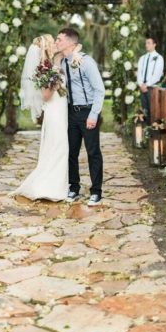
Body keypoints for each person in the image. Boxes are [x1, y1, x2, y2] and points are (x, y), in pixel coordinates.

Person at [12, 35, 70, 202]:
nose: (55, 45)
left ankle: (57, 185)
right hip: (54, 112)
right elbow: (45, 95)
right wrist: (56, 82)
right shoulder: (44, 68)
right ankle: (52, 188)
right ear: (46, 47)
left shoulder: (51, 64)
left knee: (59, 146)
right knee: (58, 147)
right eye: (52, 43)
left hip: (60, 110)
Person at [55, 27, 105, 206]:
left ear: (70, 43)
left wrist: (93, 114)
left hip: (87, 111)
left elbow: (100, 89)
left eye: (59, 39)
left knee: (93, 152)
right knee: (71, 152)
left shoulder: (86, 62)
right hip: (70, 113)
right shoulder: (61, 63)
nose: (56, 42)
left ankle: (96, 191)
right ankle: (74, 188)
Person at [136, 37, 164, 120]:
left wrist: (147, 84)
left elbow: (157, 75)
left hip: (152, 87)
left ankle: (153, 130)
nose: (146, 45)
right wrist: (141, 84)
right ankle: (145, 129)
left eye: (148, 43)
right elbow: (139, 73)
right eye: (146, 43)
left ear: (154, 45)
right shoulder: (142, 58)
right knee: (144, 110)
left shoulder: (159, 58)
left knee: (153, 110)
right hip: (142, 87)